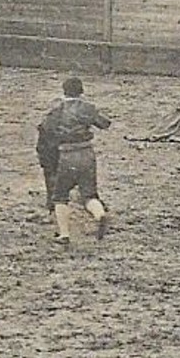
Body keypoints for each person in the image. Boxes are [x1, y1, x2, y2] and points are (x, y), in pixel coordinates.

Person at [49, 77, 111, 245]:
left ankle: (64, 234)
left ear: (64, 91)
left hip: (67, 154)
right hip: (86, 153)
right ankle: (100, 215)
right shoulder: (88, 108)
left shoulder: (57, 109)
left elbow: (47, 129)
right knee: (88, 194)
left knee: (60, 196)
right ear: (81, 91)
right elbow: (105, 123)